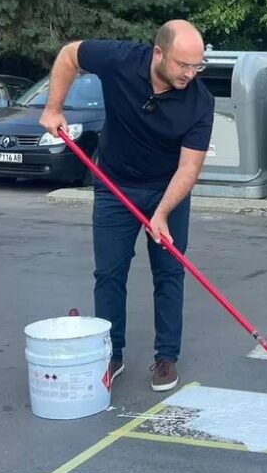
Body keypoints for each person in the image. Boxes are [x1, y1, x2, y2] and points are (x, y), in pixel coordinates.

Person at [39, 21, 214, 392]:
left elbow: (189, 167)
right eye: (183, 64)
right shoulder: (120, 59)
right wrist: (53, 108)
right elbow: (70, 55)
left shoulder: (200, 101)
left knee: (169, 273)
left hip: (168, 190)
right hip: (114, 186)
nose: (190, 74)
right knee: (109, 273)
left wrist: (161, 213)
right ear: (158, 53)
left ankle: (166, 357)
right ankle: (111, 353)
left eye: (196, 66)